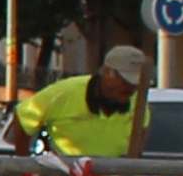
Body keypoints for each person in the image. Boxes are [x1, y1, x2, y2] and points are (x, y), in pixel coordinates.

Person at [13, 43, 146, 156]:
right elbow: (24, 117)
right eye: (125, 81)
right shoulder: (65, 92)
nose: (131, 87)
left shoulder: (138, 102)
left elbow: (142, 133)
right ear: (107, 72)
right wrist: (23, 168)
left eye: (136, 83)